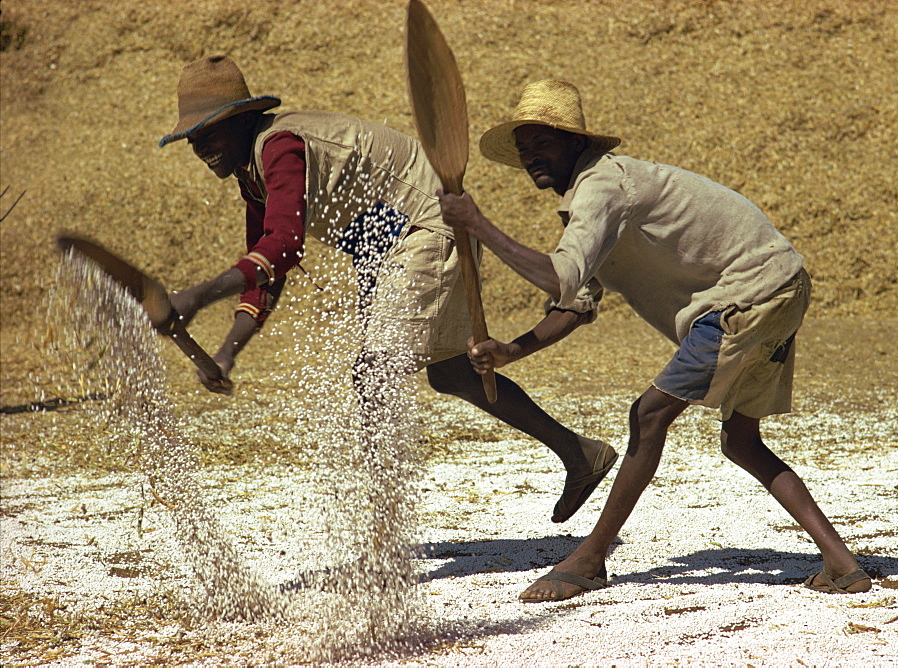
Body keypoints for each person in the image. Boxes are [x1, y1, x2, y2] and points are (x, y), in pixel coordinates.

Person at [438, 79, 872, 601]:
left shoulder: (603, 185)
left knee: (647, 415)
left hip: (748, 296)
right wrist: (512, 350)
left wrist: (478, 223)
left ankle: (588, 561)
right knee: (741, 441)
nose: (531, 156)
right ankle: (842, 563)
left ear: (577, 142)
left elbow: (559, 278)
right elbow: (575, 303)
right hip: (777, 289)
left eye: (542, 142)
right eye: (524, 147)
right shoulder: (593, 202)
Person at [157, 56, 618, 524]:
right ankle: (579, 454)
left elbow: (283, 244)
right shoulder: (251, 172)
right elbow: (268, 260)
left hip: (424, 229)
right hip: (386, 249)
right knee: (452, 373)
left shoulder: (280, 146)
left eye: (209, 135)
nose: (202, 149)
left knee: (374, 374)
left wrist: (195, 296)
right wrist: (228, 352)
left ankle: (383, 536)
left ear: (240, 121)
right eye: (193, 141)